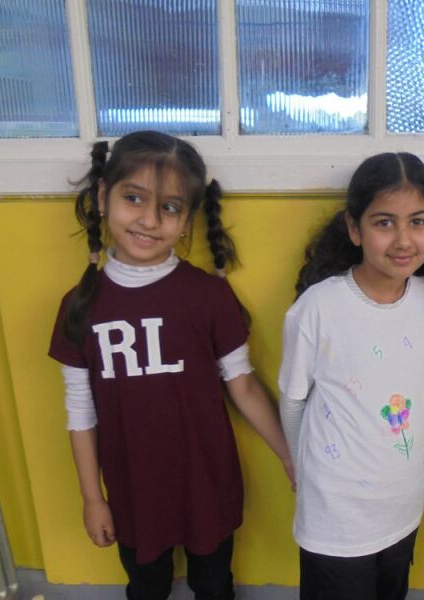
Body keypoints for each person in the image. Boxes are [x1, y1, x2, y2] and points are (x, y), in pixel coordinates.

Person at [48, 131, 293, 600]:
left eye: (170, 207)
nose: (149, 220)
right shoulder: (79, 306)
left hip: (207, 483)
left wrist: (289, 453)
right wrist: (92, 498)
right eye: (133, 198)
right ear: (103, 196)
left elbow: (242, 386)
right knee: (146, 587)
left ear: (187, 219)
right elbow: (80, 414)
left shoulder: (208, 296)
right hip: (132, 491)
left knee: (214, 585)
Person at [278, 152, 424, 600]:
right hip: (334, 517)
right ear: (354, 228)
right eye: (384, 223)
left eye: (418, 222)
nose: (403, 239)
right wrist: (299, 466)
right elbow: (293, 400)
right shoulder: (317, 308)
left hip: (403, 509)